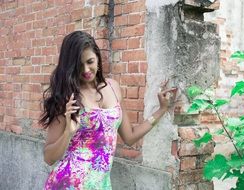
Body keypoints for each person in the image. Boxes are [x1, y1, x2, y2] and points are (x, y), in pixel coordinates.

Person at [39, 30, 176, 190]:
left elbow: (130, 137)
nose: (86, 70)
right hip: (68, 184)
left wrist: (161, 110)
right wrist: (68, 133)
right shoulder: (66, 98)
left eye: (90, 61)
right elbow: (49, 158)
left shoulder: (113, 87)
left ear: (97, 56)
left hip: (100, 184)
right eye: (79, 65)